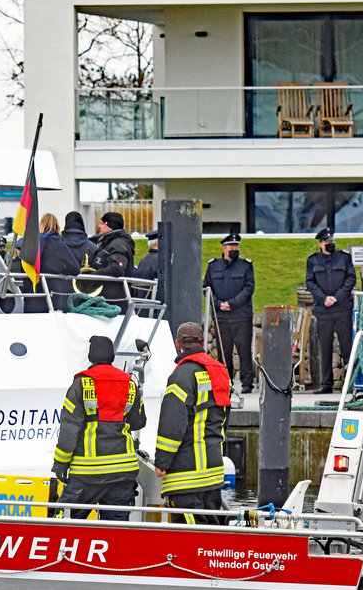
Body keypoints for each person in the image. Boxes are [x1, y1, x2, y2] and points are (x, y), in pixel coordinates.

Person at [51, 335, 146, 520]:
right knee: (115, 532)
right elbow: (138, 422)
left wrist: (61, 463)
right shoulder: (130, 383)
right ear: (111, 356)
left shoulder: (81, 384)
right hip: (122, 471)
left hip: (87, 473)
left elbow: (69, 429)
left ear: (90, 356)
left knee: (64, 526)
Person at [154, 322, 231, 524]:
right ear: (202, 343)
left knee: (190, 535)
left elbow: (173, 422)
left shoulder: (182, 376)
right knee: (211, 533)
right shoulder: (220, 373)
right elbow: (224, 419)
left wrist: (162, 461)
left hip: (187, 474)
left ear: (178, 344)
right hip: (213, 471)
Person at [204, 233, 255, 395]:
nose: (235, 249)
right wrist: (219, 304)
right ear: (224, 248)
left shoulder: (245, 266)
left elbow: (248, 288)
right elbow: (207, 288)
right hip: (221, 317)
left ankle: (247, 384)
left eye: (236, 247)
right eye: (231, 247)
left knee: (244, 350)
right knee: (223, 352)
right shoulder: (213, 266)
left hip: (241, 316)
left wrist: (231, 304)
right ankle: (226, 382)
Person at [305, 227, 355, 394]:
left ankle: (350, 384)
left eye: (332, 241)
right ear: (320, 244)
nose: (330, 244)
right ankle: (326, 385)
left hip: (342, 308)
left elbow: (351, 278)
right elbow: (310, 282)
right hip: (323, 310)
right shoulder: (313, 261)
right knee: (324, 348)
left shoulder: (344, 258)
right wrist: (323, 298)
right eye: (327, 242)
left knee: (347, 347)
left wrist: (337, 297)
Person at [90, 211, 136, 308]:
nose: (99, 226)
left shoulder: (118, 244)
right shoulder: (111, 242)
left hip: (113, 301)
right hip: (108, 300)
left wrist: (92, 277)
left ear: (109, 225)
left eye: (102, 223)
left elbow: (116, 268)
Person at [37, 212, 81, 309]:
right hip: (51, 289)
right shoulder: (57, 243)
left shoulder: (33, 242)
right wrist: (62, 270)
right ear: (56, 226)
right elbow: (75, 269)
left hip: (32, 289)